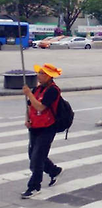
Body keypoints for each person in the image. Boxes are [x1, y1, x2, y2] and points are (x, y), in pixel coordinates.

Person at [21, 64, 64, 199]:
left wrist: (28, 94)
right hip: (35, 127)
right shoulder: (37, 89)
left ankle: (34, 186)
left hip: (47, 127)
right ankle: (54, 170)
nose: (38, 75)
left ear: (49, 76)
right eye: (39, 73)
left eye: (42, 73)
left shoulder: (53, 90)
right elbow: (30, 106)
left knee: (37, 158)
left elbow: (41, 106)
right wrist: (27, 119)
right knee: (33, 155)